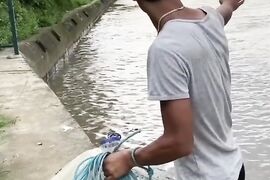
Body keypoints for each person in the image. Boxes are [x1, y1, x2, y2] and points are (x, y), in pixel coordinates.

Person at [103, 0, 245, 179]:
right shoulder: (211, 18)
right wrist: (230, 4)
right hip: (234, 167)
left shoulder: (166, 48)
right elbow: (225, 12)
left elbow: (180, 143)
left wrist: (129, 159)